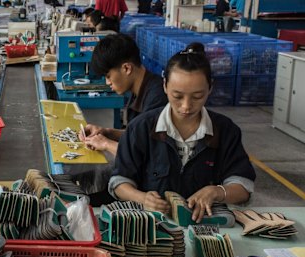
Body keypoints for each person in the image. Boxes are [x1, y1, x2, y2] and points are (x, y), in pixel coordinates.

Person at [109, 43, 256, 222]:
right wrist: (143, 198)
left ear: (210, 88)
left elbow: (244, 186)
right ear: (165, 86)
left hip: (205, 226)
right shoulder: (140, 128)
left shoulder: (225, 130)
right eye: (177, 96)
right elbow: (119, 182)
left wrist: (217, 192)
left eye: (197, 96)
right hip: (154, 224)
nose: (186, 106)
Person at [81, 33, 168, 154]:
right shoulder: (138, 90)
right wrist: (107, 132)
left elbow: (143, 155)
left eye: (108, 76)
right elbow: (138, 136)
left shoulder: (158, 98)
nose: (108, 83)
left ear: (127, 68)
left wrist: (106, 144)